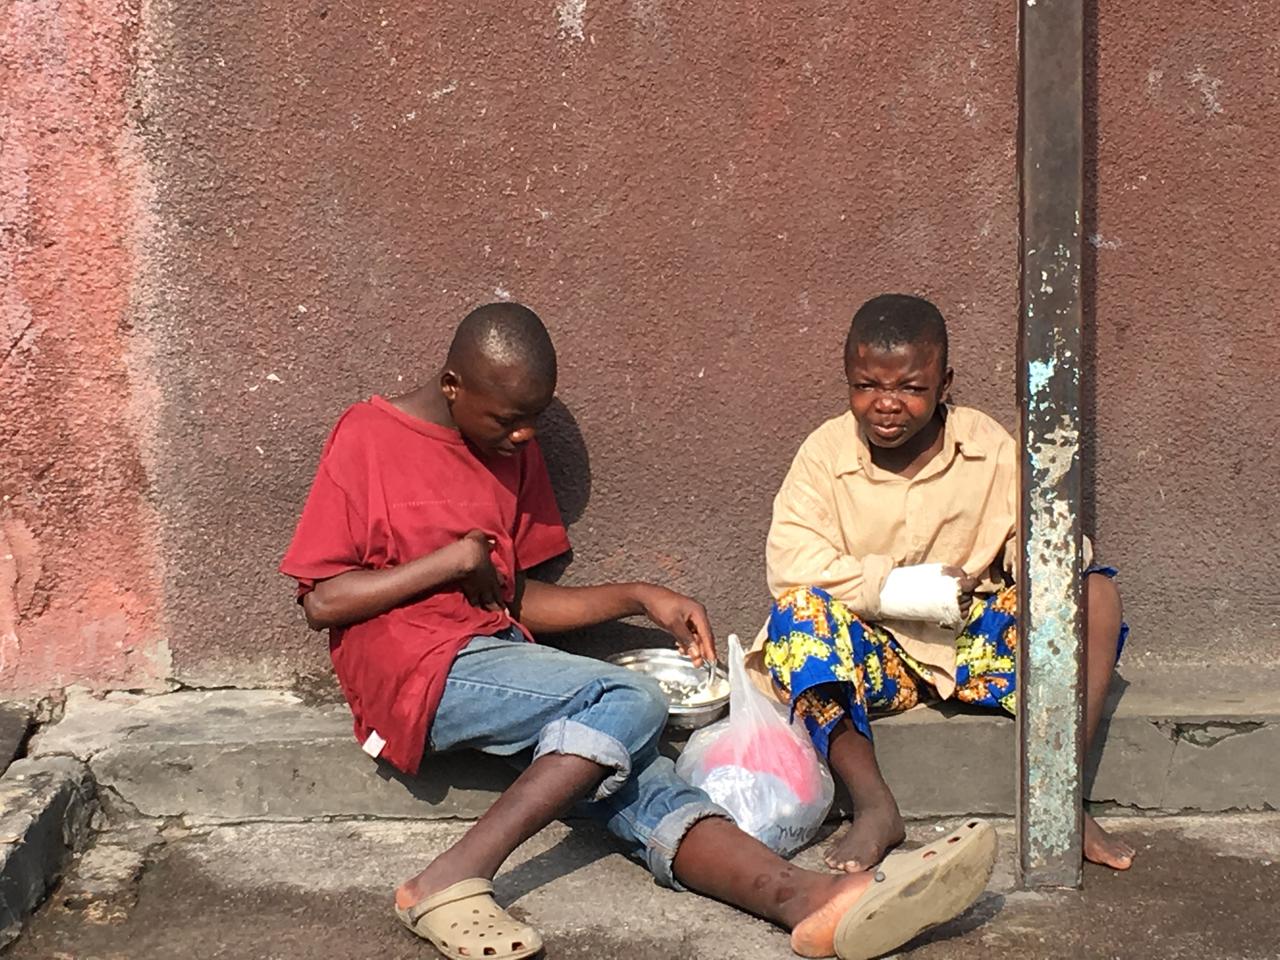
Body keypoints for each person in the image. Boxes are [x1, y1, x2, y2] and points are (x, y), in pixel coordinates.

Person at [280, 301, 998, 960]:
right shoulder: (369, 435)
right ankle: (452, 875)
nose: (525, 436)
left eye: (534, 418)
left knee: (644, 785)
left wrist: (638, 595)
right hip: (413, 667)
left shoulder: (508, 445)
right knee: (628, 701)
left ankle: (804, 901)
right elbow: (323, 601)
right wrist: (446, 563)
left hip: (498, 660)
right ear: (452, 384)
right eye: (508, 420)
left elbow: (517, 599)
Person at [750, 293, 1134, 877]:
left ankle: (1061, 796)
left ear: (945, 382)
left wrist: (1032, 558)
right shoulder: (826, 453)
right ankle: (875, 806)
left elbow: (1046, 540)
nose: (886, 405)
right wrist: (899, 588)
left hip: (971, 647)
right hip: (875, 656)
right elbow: (790, 562)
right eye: (865, 385)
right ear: (847, 379)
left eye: (910, 388)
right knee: (798, 616)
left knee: (1094, 591)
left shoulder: (985, 446)